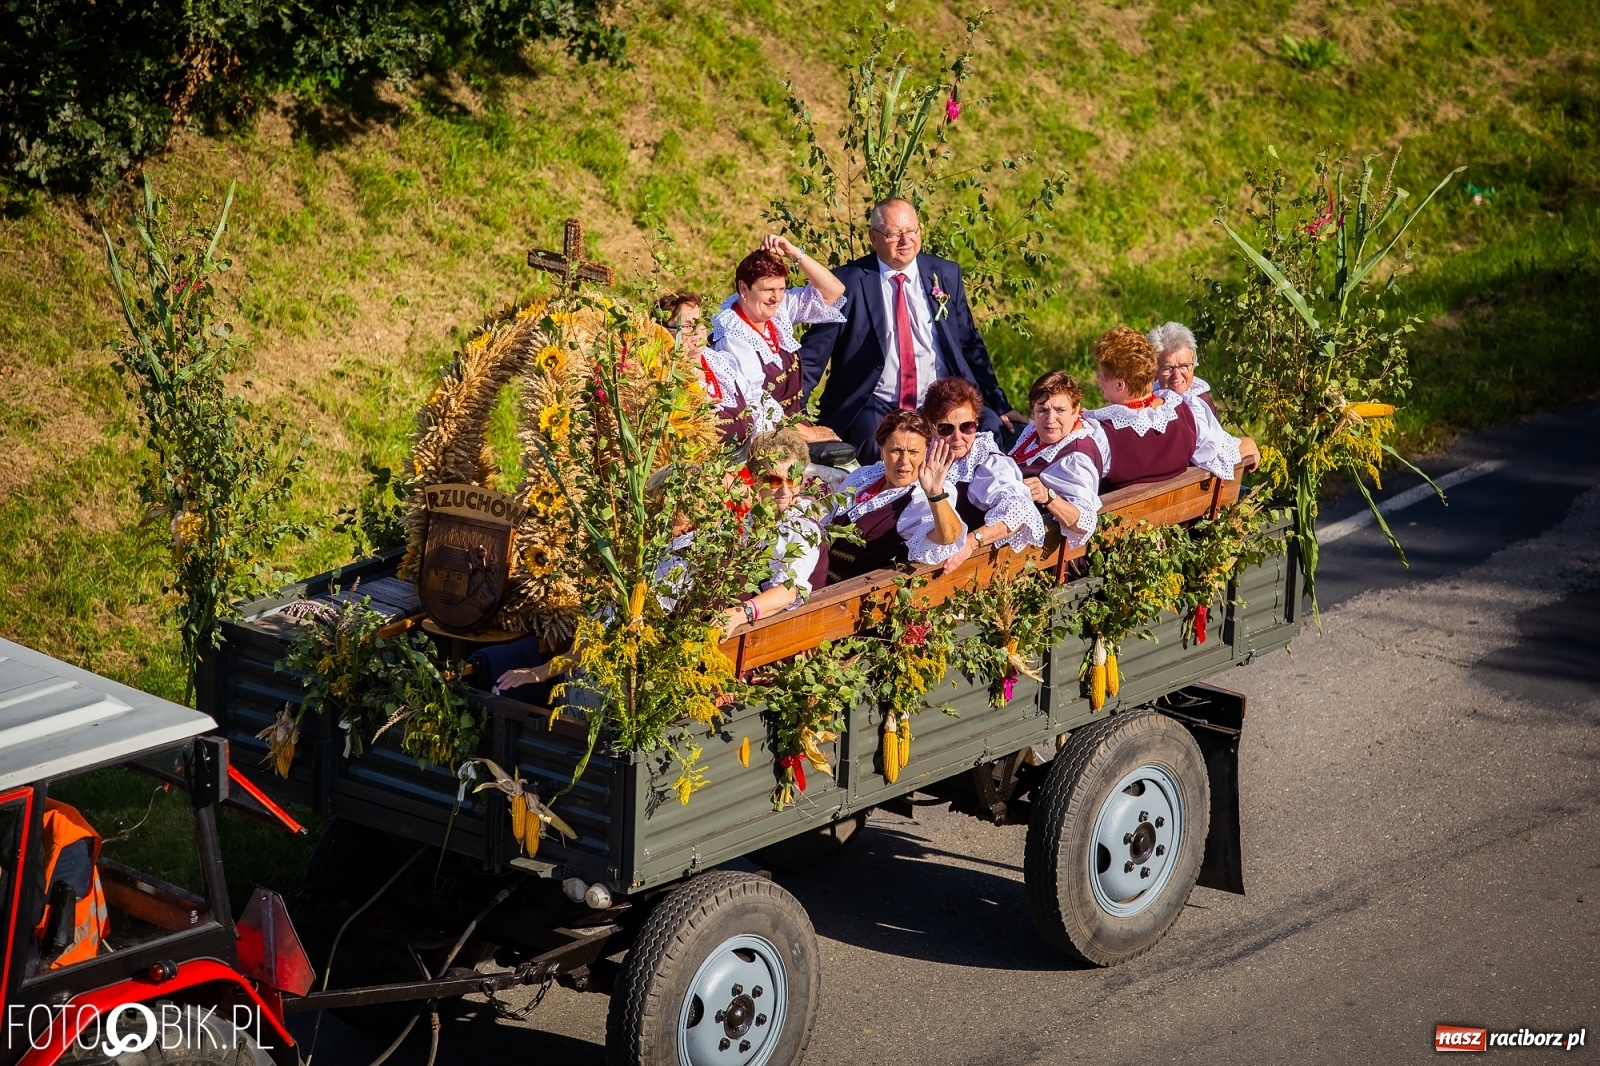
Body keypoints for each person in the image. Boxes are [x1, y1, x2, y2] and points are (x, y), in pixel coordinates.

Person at [797, 198, 1026, 462]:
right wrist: (791, 417)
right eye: (894, 234)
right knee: (880, 450)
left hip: (942, 398)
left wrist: (1000, 404)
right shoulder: (845, 282)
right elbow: (813, 356)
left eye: (912, 231)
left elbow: (969, 344)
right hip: (877, 401)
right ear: (873, 237)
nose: (906, 241)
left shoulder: (945, 274)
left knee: (990, 432)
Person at [706, 237, 847, 445]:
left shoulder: (775, 313)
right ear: (744, 289)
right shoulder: (733, 337)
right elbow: (756, 405)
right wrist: (809, 435)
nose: (777, 297)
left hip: (794, 427)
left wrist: (795, 253)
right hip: (766, 441)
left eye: (781, 289)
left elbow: (832, 292)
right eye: (768, 290)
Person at [1086, 326, 1258, 492]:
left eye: (1101, 373)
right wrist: (1250, 445)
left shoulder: (1099, 436)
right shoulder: (1187, 415)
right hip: (1181, 520)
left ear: (1119, 384)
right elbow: (1220, 452)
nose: (1098, 377)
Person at [919, 377, 1044, 573]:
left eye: (967, 426)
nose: (958, 437)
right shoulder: (922, 451)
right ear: (931, 426)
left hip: (962, 574)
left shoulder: (987, 462)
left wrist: (971, 542)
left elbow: (1021, 510)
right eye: (946, 428)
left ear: (977, 422)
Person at [826, 409, 967, 582]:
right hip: (819, 585)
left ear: (926, 452)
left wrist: (934, 494)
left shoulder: (922, 497)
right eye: (896, 451)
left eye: (913, 452)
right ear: (881, 450)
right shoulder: (863, 477)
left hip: (852, 598)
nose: (904, 460)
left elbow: (949, 536)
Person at [1009, 370, 1108, 548]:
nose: (1050, 419)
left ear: (1075, 410)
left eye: (1060, 410)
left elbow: (1084, 522)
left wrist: (1048, 497)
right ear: (1032, 409)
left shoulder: (1075, 459)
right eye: (1042, 410)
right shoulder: (1035, 432)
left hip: (1040, 558)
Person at [1148, 321, 1215, 415]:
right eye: (1168, 368)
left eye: (1184, 366)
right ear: (1154, 370)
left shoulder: (1200, 404)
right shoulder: (1149, 396)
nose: (1177, 375)